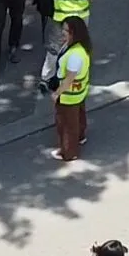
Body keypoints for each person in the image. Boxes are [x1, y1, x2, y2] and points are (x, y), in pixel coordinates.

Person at [49, 15, 92, 163]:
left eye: (66, 30)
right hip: (79, 93)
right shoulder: (80, 48)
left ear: (74, 33)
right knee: (78, 117)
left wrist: (57, 93)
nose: (63, 32)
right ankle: (80, 137)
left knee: (67, 124)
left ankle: (68, 152)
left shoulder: (74, 55)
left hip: (68, 95)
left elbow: (69, 79)